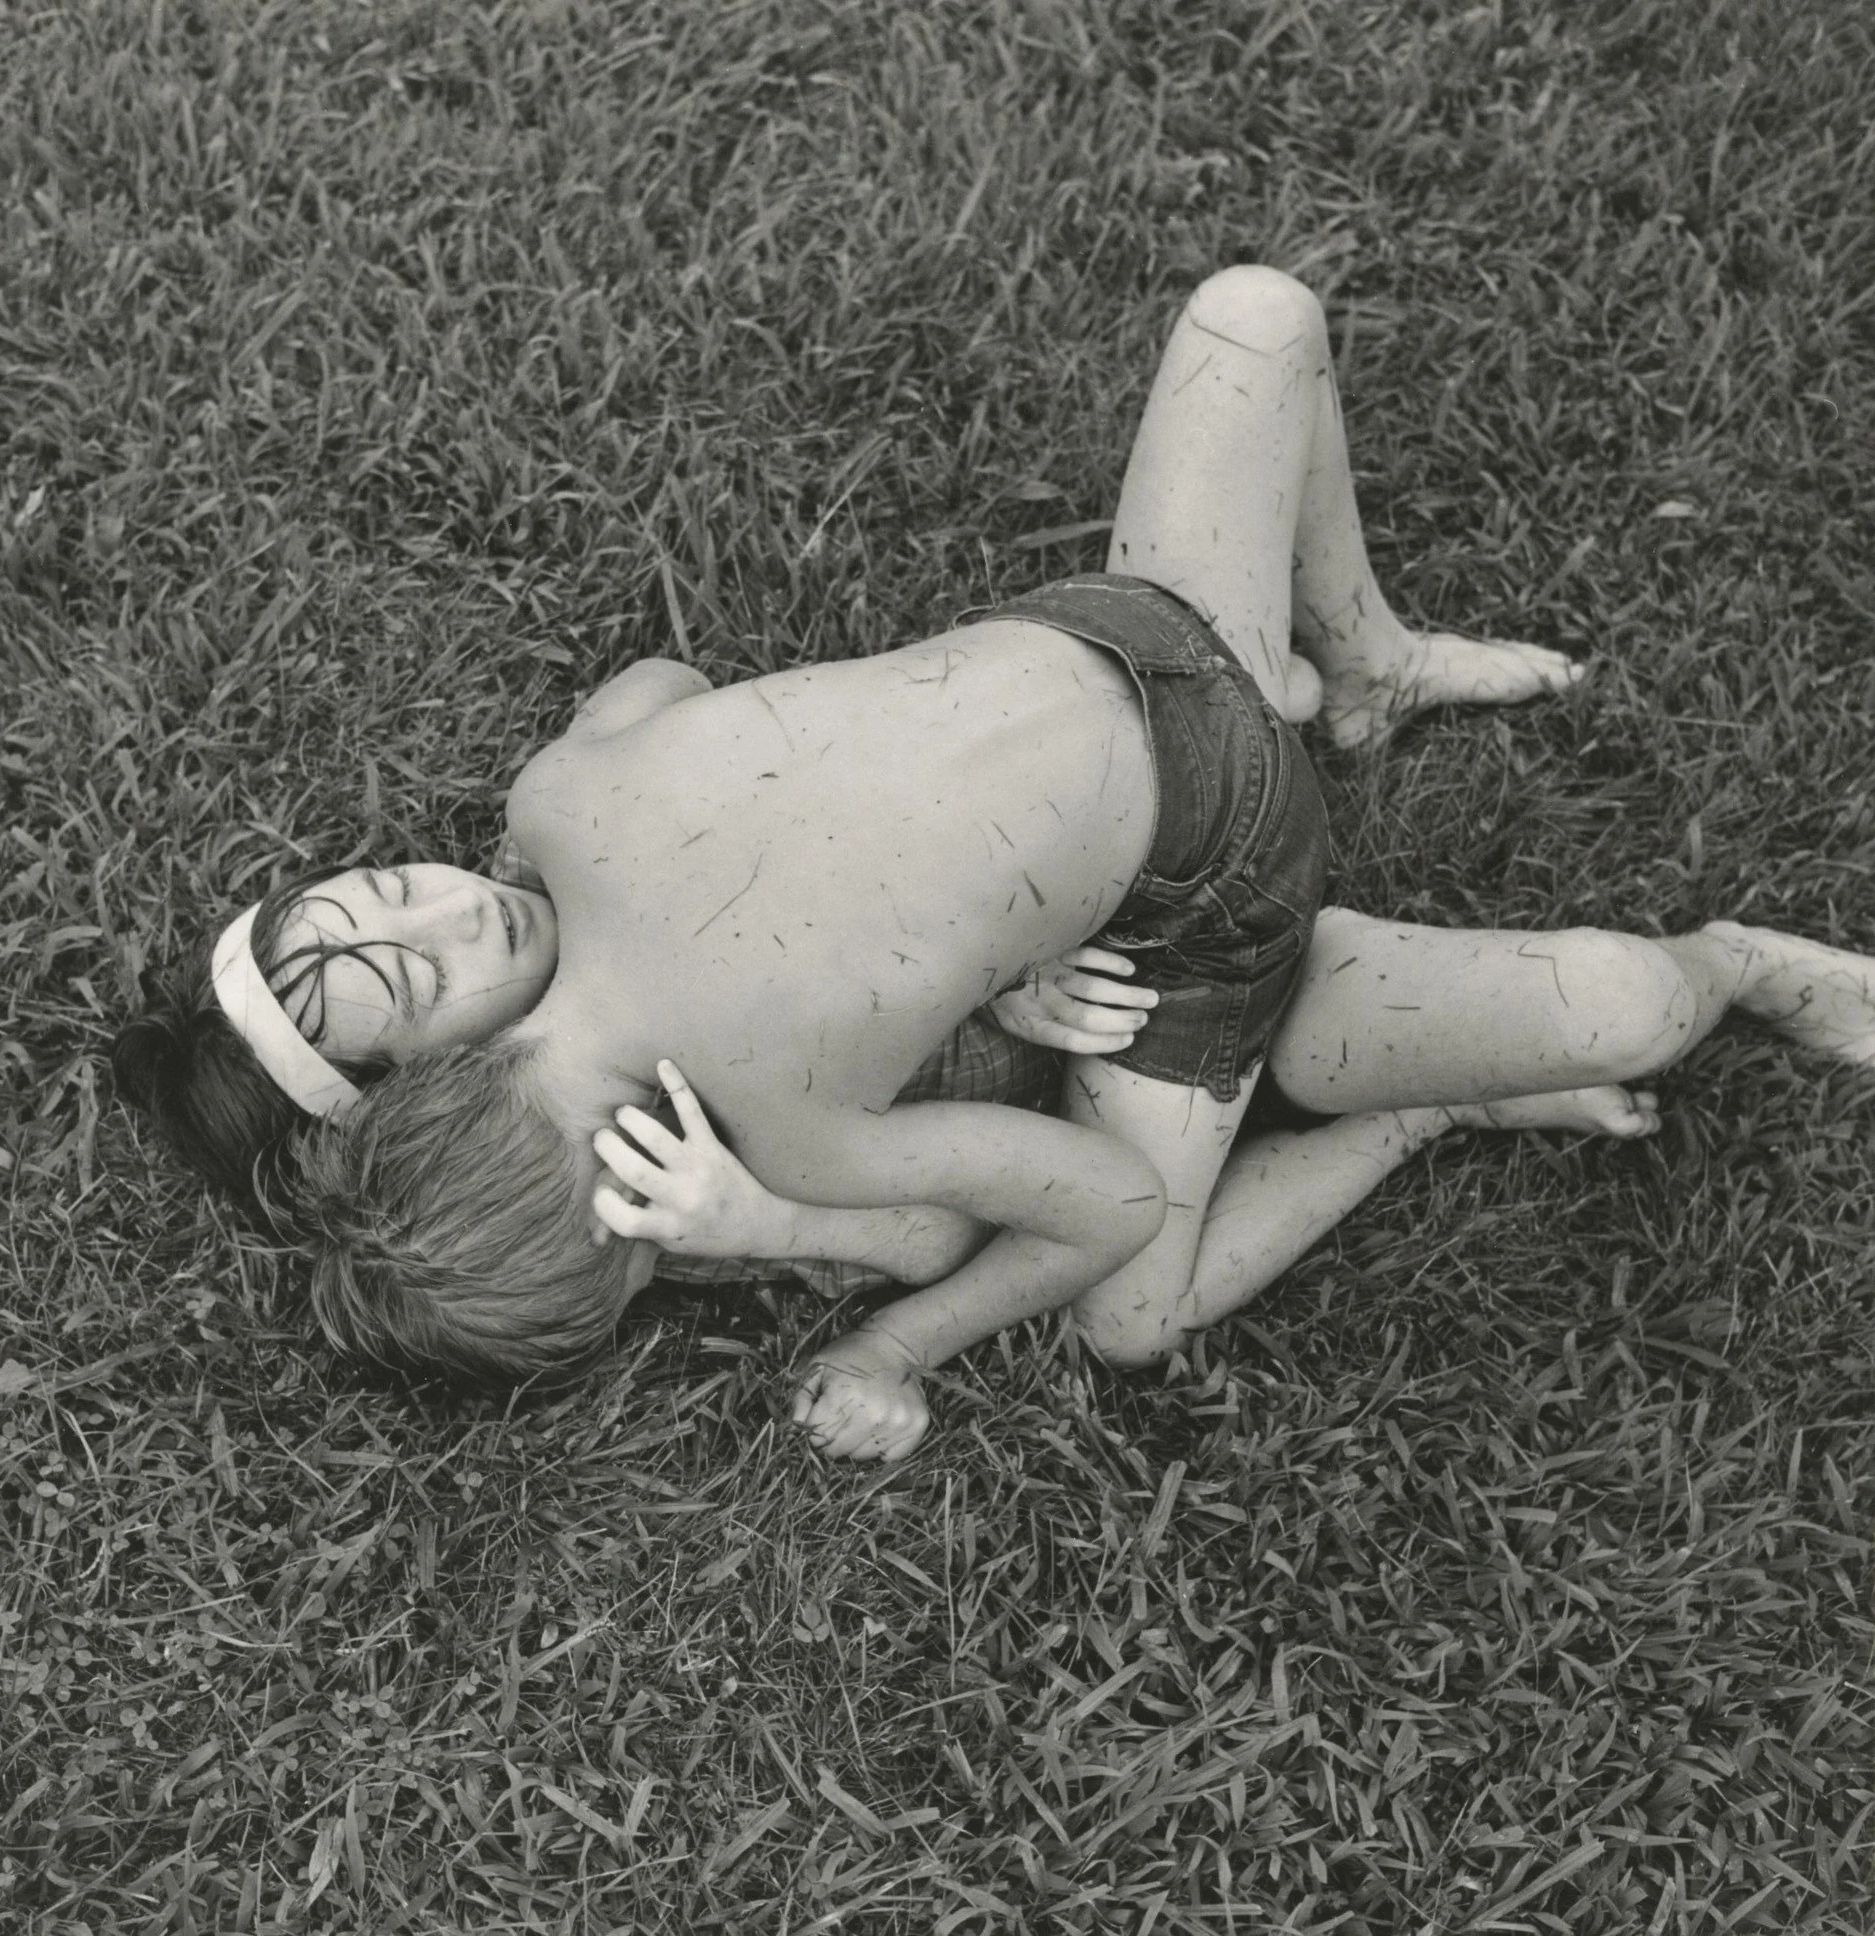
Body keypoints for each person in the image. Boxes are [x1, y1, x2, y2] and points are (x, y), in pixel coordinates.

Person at [265, 266, 1875, 1461]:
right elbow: (656, 696)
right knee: (1255, 315)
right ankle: (1362, 667)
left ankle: (1675, 982)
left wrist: (882, 1323)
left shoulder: (797, 1132)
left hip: (1219, 877)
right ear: (451, 1072)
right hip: (1139, 631)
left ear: (636, 1226)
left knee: (1127, 1313)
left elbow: (1095, 1205)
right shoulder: (556, 803)